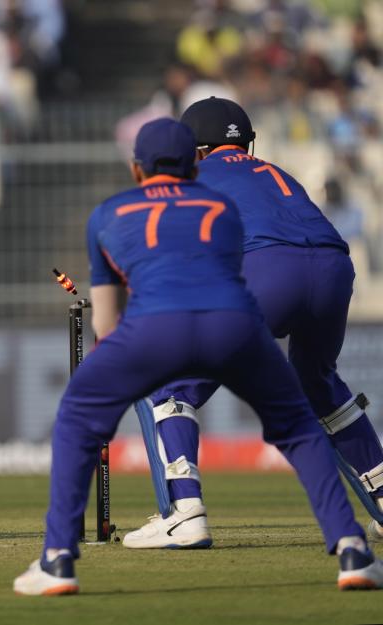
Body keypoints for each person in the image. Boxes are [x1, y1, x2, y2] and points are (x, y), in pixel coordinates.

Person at [12, 118, 383, 595]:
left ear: (137, 167)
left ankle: (85, 549)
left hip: (178, 314)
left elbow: (111, 320)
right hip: (320, 272)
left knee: (102, 407)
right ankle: (352, 547)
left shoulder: (111, 213)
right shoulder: (247, 190)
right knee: (300, 410)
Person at [124, 98, 383, 550]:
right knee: (318, 383)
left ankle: (183, 513)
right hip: (333, 268)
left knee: (170, 382)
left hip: (267, 270)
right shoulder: (276, 172)